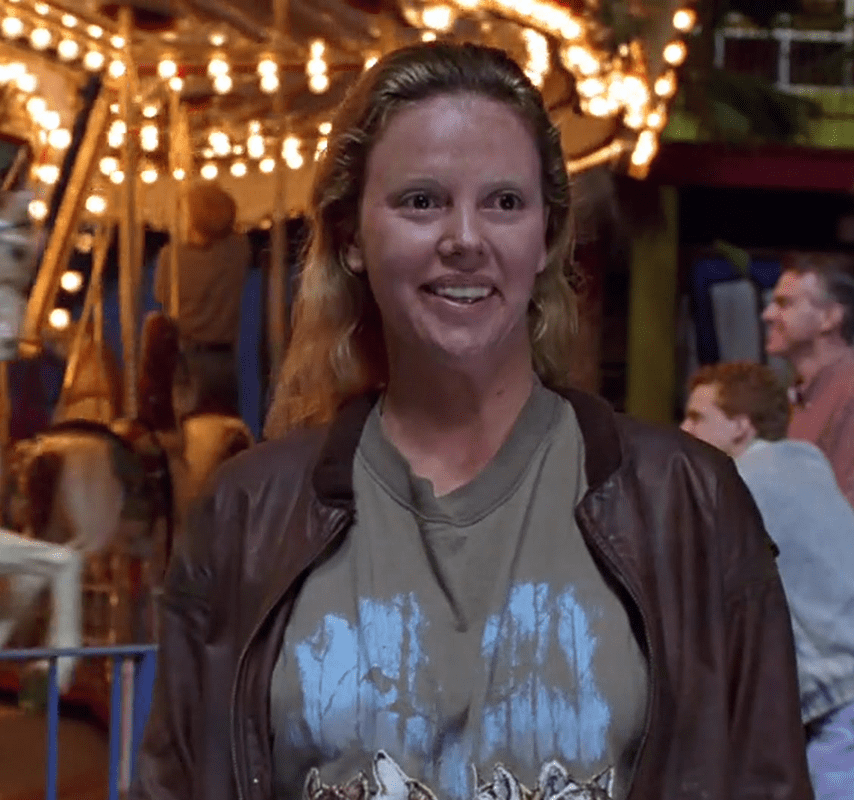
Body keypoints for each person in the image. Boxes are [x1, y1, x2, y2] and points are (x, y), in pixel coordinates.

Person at [134, 42, 811, 800]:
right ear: (353, 237)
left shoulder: (689, 506)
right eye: (421, 201)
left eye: (504, 202)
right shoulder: (246, 517)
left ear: (547, 237)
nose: (465, 238)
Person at [682, 361, 854, 799]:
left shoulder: (742, 483)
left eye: (698, 418)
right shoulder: (806, 464)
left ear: (741, 426)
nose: (682, 429)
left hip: (840, 700)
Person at [763, 252, 854, 508]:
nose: (768, 314)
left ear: (830, 318)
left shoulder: (849, 395)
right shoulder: (801, 394)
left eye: (784, 303)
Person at [153, 182, 251, 417]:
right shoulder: (238, 250)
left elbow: (162, 297)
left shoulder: (172, 257)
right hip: (224, 358)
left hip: (187, 358)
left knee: (189, 429)